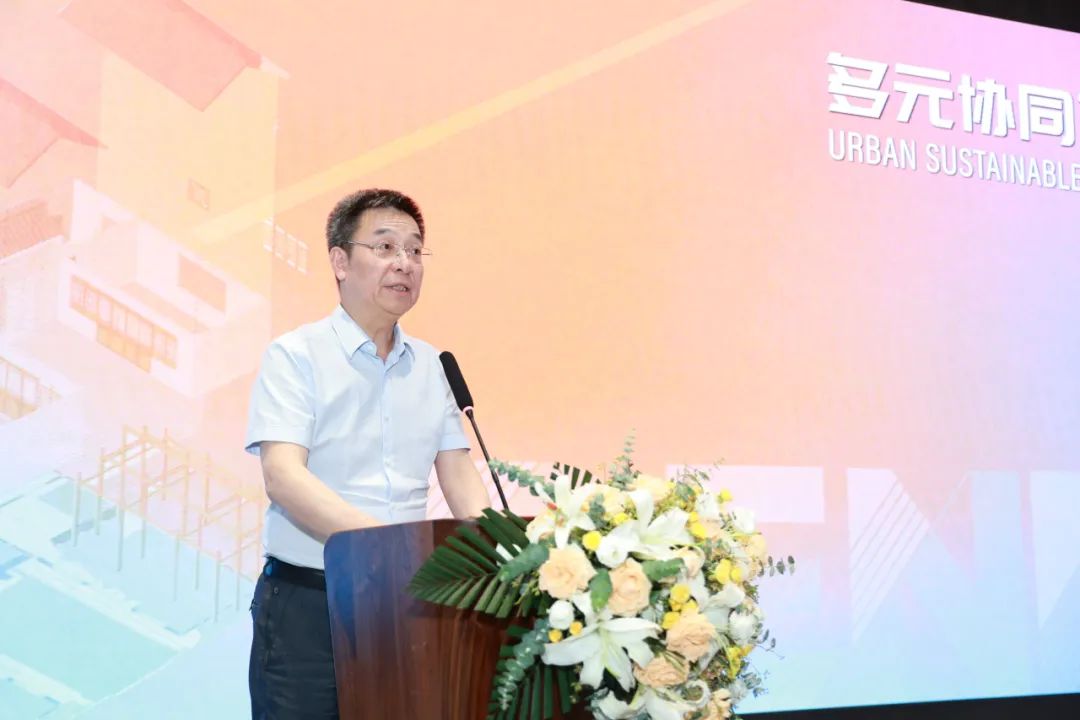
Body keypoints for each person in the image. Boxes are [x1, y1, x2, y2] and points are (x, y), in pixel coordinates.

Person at [244, 188, 491, 719]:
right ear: (340, 261)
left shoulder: (433, 367)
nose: (405, 263)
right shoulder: (296, 356)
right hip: (311, 606)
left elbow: (460, 477)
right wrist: (385, 551)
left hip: (409, 610)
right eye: (385, 247)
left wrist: (503, 549)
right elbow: (283, 476)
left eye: (415, 250)